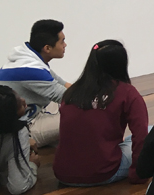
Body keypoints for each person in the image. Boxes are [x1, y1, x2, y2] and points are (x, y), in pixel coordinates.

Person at [53, 40, 148, 186]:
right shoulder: (127, 93)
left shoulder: (72, 92)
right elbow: (141, 136)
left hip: (63, 174)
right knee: (153, 132)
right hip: (102, 173)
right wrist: (138, 175)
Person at [0, 19, 70, 148]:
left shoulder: (30, 59)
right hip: (24, 126)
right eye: (62, 41)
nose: (65, 45)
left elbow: (65, 85)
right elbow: (68, 97)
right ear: (47, 48)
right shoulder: (30, 69)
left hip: (36, 111)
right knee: (82, 118)